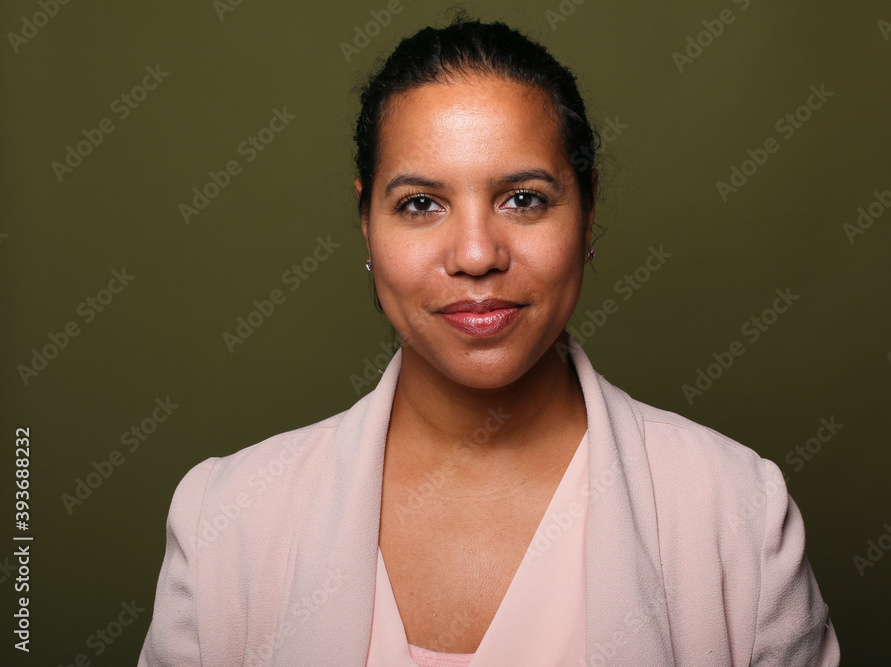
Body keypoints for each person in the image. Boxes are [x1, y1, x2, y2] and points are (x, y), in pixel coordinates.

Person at [139, 14, 840, 667]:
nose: (476, 254)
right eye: (421, 204)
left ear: (588, 211)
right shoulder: (225, 519)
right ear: (365, 223)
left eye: (524, 198)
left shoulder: (738, 511)